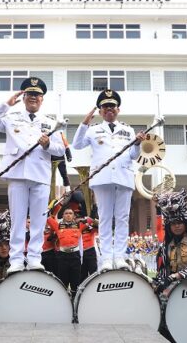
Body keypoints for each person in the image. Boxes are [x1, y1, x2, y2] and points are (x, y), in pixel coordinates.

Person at [0, 77, 65, 273]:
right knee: (18, 220)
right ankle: (17, 260)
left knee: (38, 221)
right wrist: (6, 105)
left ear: (42, 99)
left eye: (37, 95)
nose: (33, 98)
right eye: (30, 94)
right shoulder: (12, 117)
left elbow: (60, 150)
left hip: (40, 176)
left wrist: (47, 144)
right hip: (18, 174)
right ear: (24, 96)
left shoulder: (50, 123)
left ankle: (35, 258)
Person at [72, 89, 144, 271]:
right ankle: (105, 259)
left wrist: (137, 144)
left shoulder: (128, 130)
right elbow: (77, 145)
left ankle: (119, 256)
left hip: (123, 177)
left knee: (122, 218)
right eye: (105, 107)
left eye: (112, 106)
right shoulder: (94, 130)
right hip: (102, 178)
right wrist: (84, 123)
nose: (109, 109)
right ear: (100, 111)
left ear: (118, 109)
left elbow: (134, 156)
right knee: (104, 219)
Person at [154, 190, 187, 297]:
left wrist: (176, 276)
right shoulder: (166, 246)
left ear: (185, 224)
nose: (177, 226)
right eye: (173, 224)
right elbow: (164, 269)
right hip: (174, 288)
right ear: (169, 226)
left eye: (179, 223)